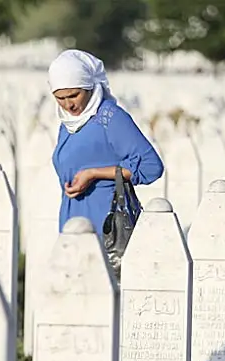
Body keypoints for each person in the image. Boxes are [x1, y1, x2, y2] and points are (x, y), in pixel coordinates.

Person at [49, 49, 164, 236]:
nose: (68, 105)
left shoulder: (109, 118)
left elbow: (151, 166)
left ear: (90, 87)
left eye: (74, 95)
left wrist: (94, 174)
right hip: (72, 220)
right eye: (60, 98)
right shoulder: (68, 123)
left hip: (107, 224)